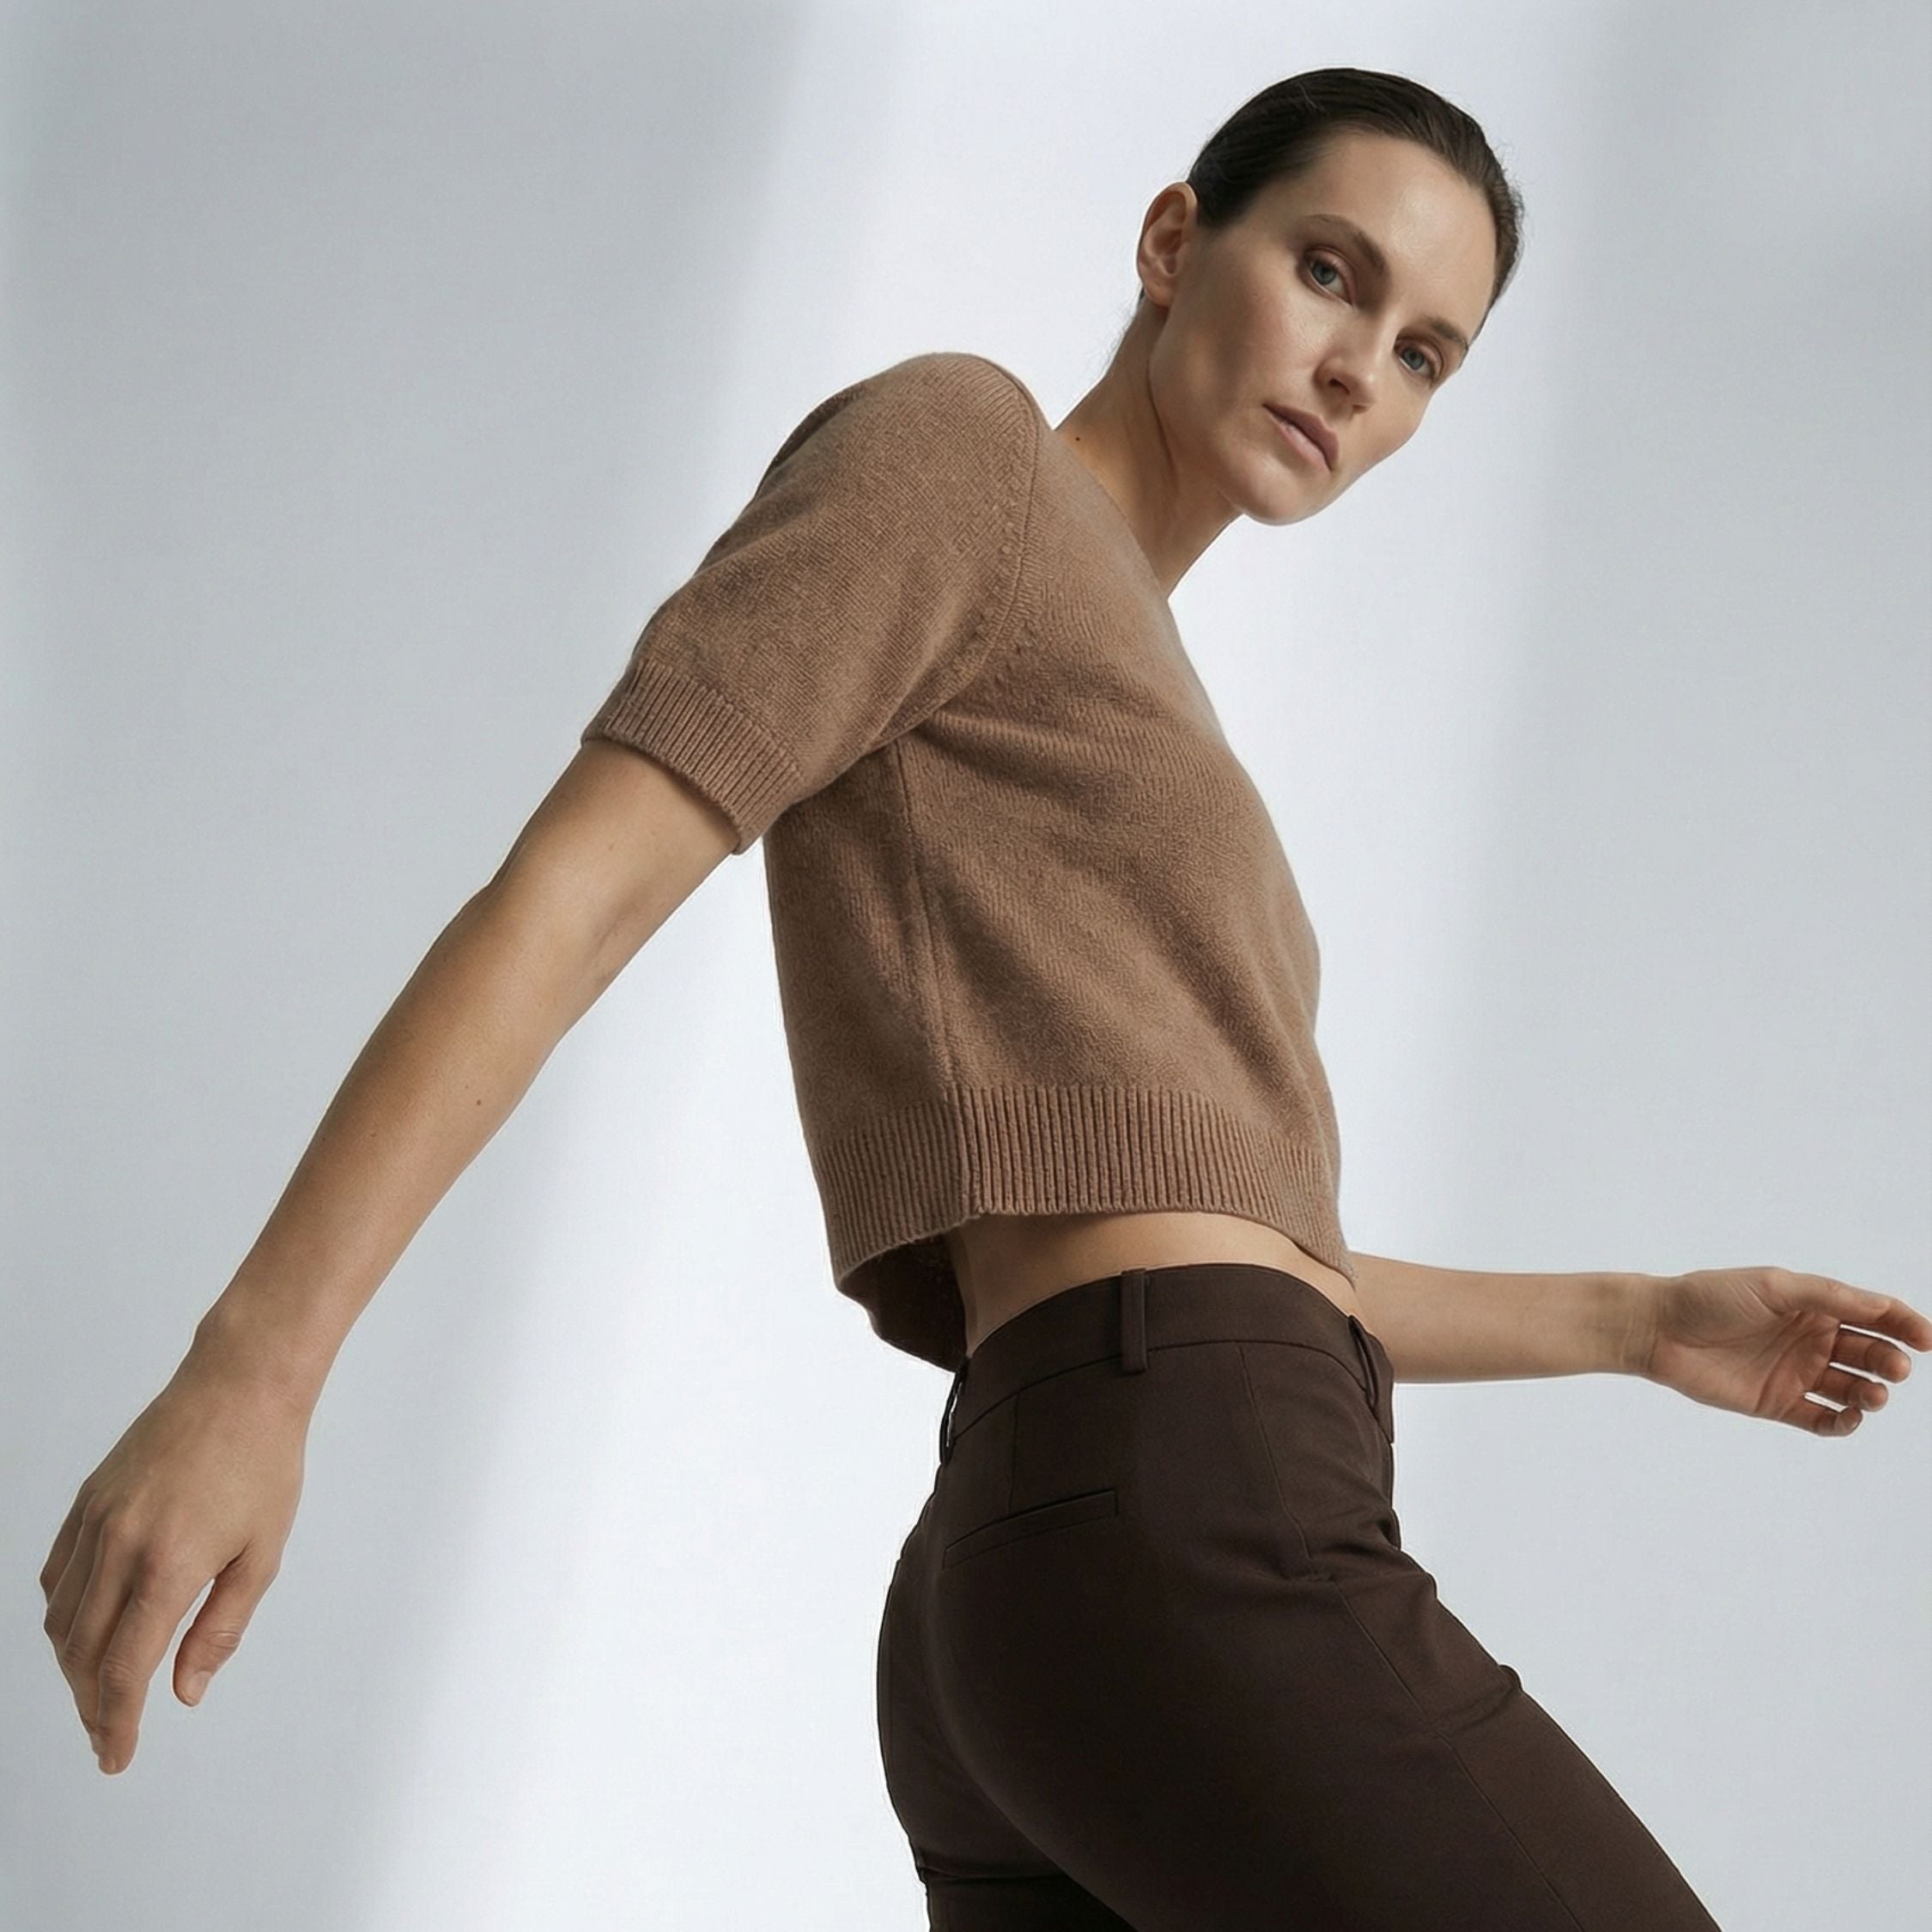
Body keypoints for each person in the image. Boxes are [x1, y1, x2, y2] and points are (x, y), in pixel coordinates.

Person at [39, 62, 1929, 1931]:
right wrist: (256, 1371)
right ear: (1178, 240)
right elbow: (575, 898)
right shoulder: (964, 460)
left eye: (1431, 351)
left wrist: (1635, 1316)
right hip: (1172, 1510)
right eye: (1336, 273)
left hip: (1062, 1547)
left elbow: (1208, 1240)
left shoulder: (1120, 655)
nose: (1364, 371)